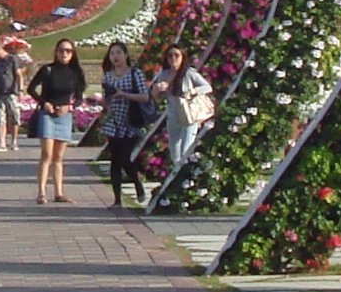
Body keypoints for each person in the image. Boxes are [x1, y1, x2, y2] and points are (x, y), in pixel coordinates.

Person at [96, 41, 157, 207]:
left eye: (118, 53)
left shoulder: (134, 73)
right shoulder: (107, 76)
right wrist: (106, 100)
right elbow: (106, 100)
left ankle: (137, 183)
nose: (115, 57)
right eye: (112, 53)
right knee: (115, 160)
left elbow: (145, 97)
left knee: (124, 158)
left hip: (130, 121)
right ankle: (117, 200)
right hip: (114, 121)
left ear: (126, 55)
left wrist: (123, 94)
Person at [28, 37, 87, 205]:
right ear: (56, 52)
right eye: (61, 50)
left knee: (59, 157)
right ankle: (41, 192)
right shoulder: (48, 69)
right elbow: (31, 88)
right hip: (48, 114)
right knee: (46, 154)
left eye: (68, 51)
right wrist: (44, 103)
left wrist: (69, 107)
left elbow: (79, 97)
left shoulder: (75, 72)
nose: (64, 54)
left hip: (64, 115)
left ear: (73, 53)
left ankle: (59, 192)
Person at [157, 41, 217, 180]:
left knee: (186, 149)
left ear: (182, 57)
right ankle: (178, 178)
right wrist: (159, 89)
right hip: (173, 115)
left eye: (176, 55)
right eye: (170, 56)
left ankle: (187, 178)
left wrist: (192, 91)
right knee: (175, 152)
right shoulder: (164, 73)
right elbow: (160, 95)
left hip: (189, 115)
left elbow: (207, 87)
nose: (173, 58)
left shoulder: (189, 73)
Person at [0, 36, 29, 150]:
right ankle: (2, 143)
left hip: (11, 92)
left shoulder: (12, 59)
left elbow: (18, 74)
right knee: (0, 118)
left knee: (14, 117)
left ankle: (14, 141)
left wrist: (20, 90)